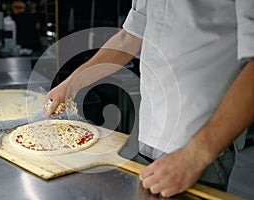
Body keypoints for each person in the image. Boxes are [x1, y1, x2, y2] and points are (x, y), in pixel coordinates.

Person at [45, 0, 254, 198]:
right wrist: (73, 81)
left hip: (198, 140)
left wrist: (196, 154)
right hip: (149, 135)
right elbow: (130, 36)